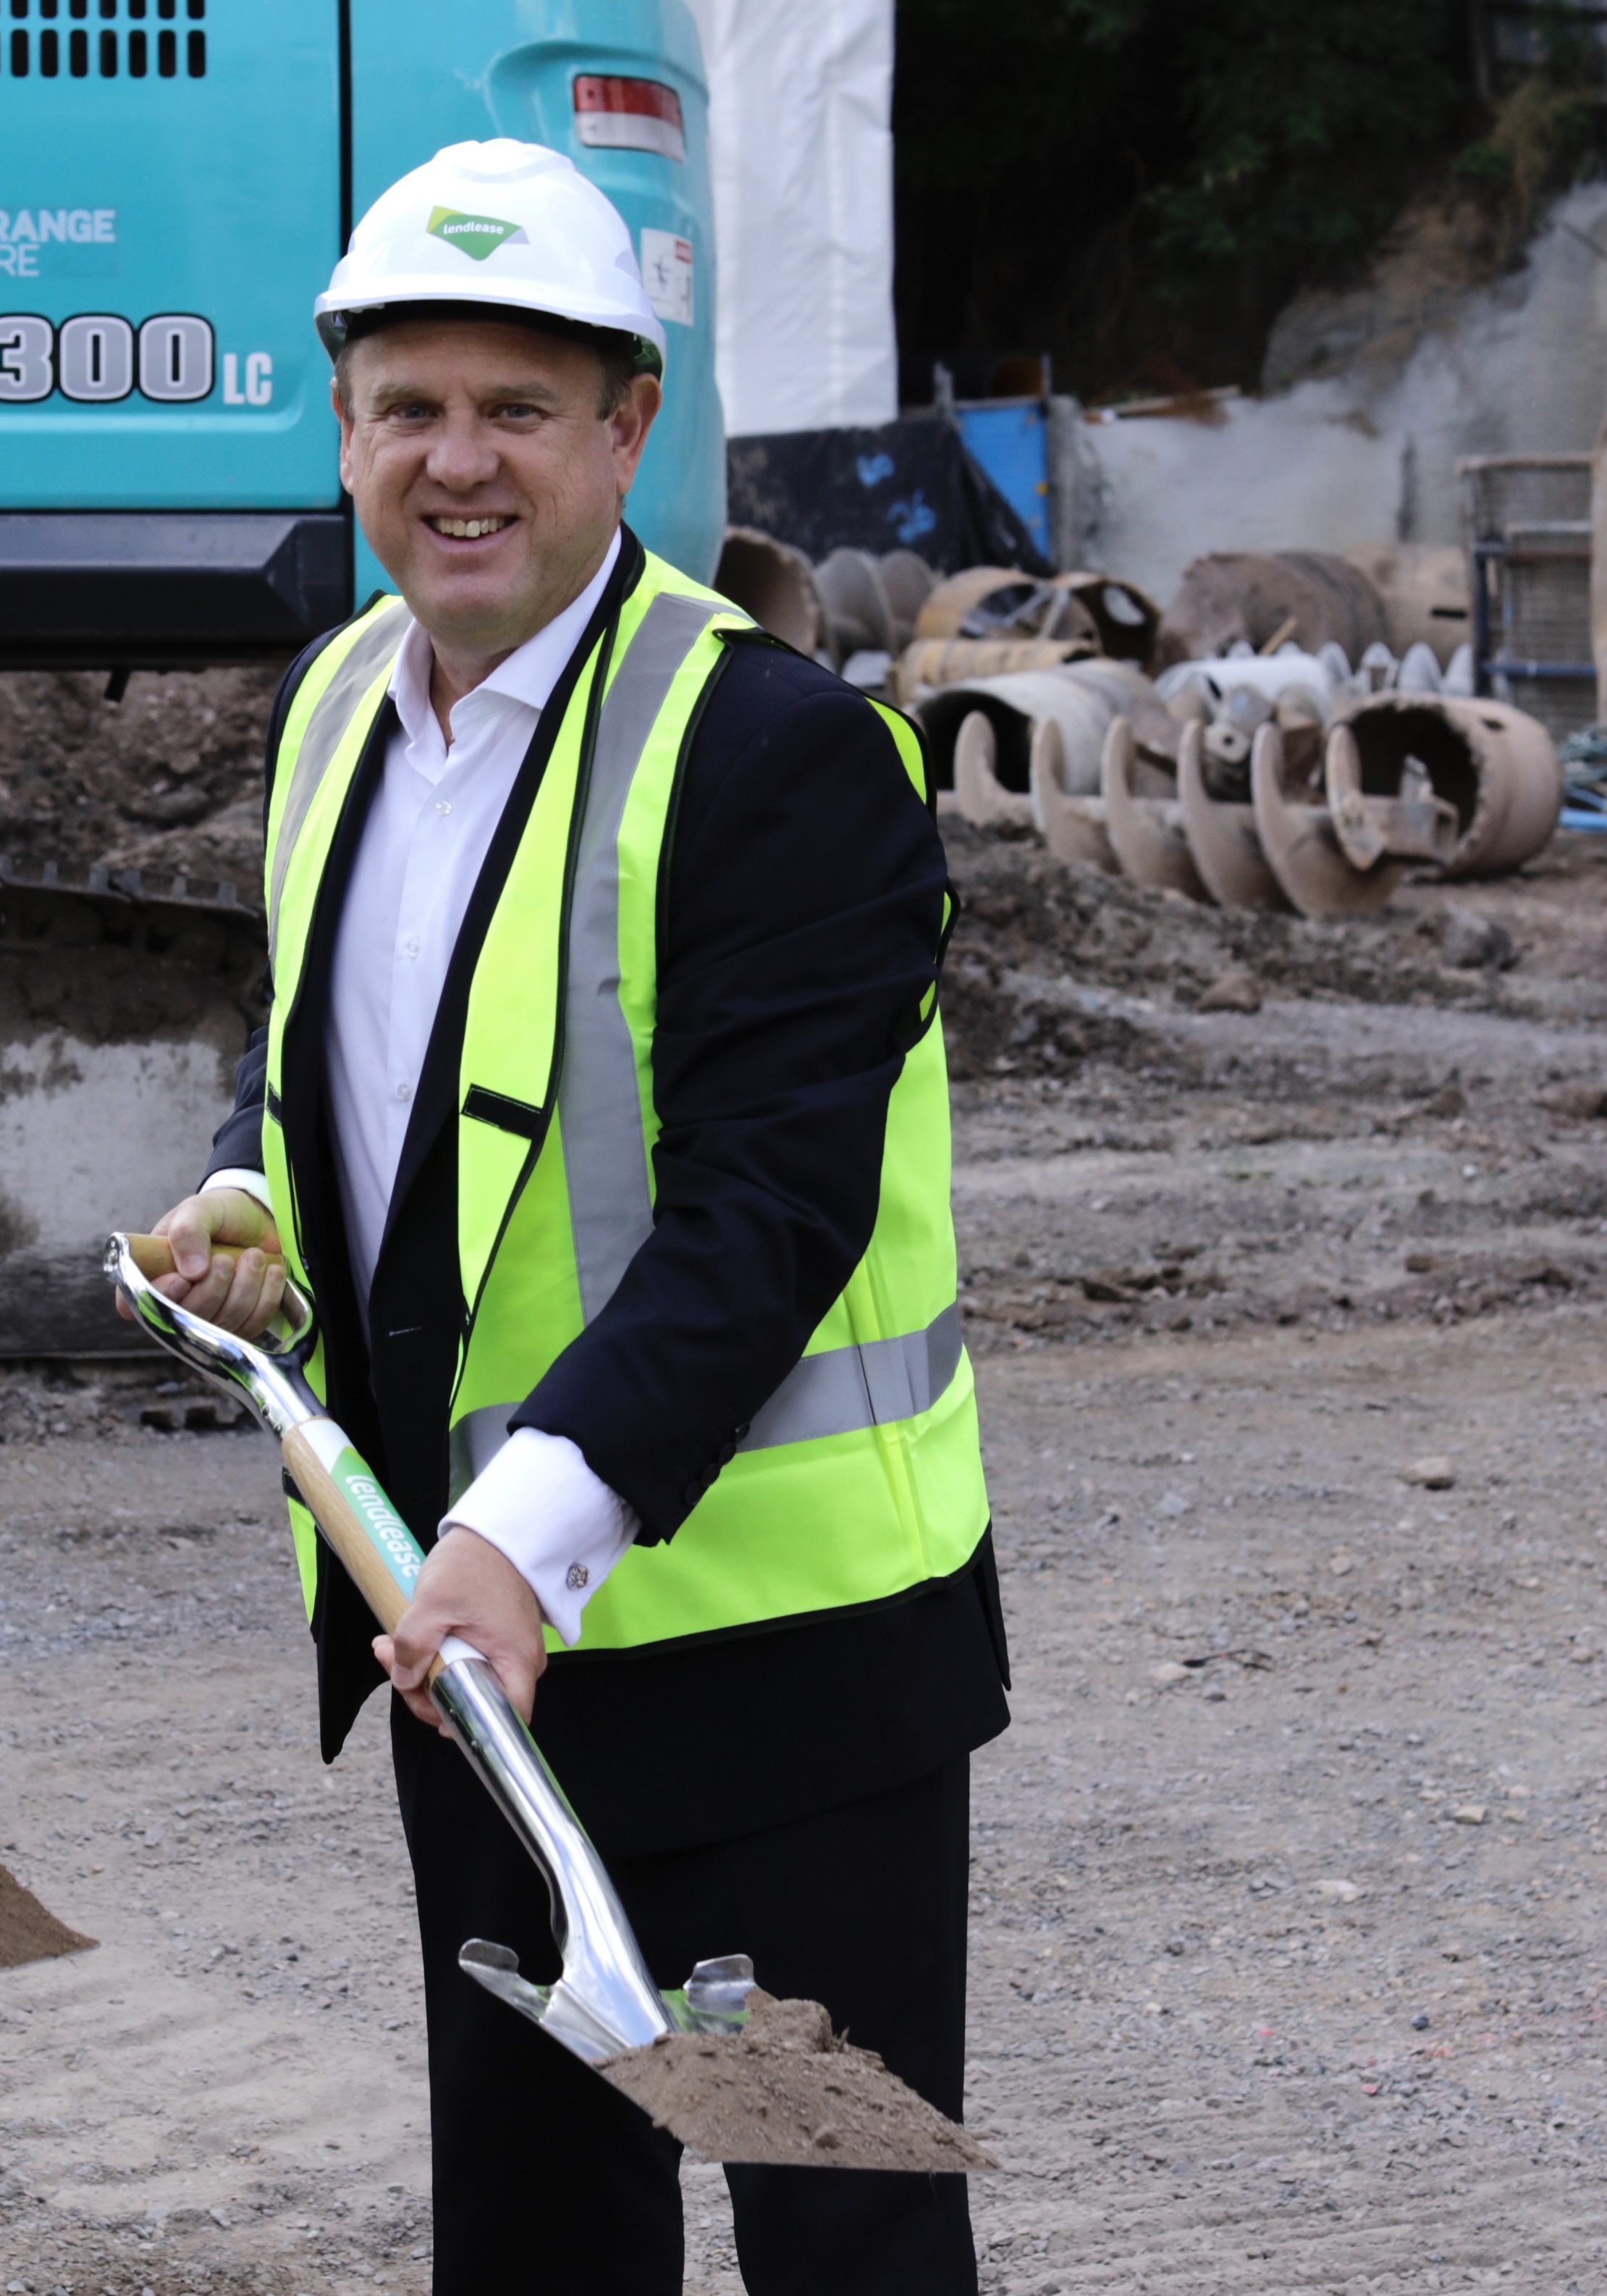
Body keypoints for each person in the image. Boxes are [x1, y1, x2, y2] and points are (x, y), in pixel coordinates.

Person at [138, 140, 1007, 2294]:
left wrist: (513, 1542)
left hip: (776, 1663)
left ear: (629, 423)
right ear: (341, 428)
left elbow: (766, 1210)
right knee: (534, 2236)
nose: (457, 462)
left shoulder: (776, 753)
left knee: (846, 2247)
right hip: (478, 1644)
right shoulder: (337, 701)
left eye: (518, 408)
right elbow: (367, 1090)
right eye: (406, 408)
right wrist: (257, 1213)